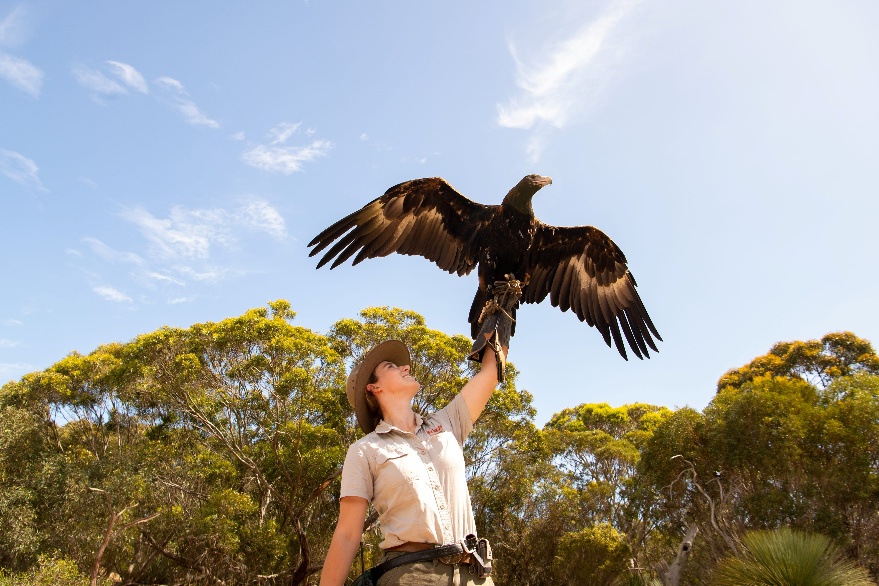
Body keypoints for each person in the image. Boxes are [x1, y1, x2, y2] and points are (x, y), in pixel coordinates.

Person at [318, 338, 503, 586]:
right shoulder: (365, 450)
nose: (405, 368)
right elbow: (347, 535)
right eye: (391, 367)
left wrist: (497, 320)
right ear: (373, 388)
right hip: (411, 576)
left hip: (476, 577)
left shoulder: (448, 422)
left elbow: (490, 373)